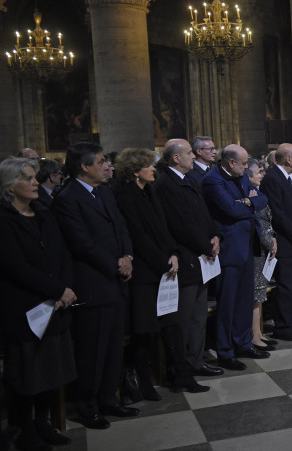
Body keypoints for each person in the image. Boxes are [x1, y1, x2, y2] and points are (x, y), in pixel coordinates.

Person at [53, 142, 137, 429]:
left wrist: (127, 256)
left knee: (114, 346)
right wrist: (116, 264)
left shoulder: (104, 192)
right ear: (84, 166)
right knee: (93, 350)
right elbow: (82, 243)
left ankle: (109, 398)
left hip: (116, 281)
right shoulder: (67, 198)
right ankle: (87, 406)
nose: (107, 166)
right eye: (101, 162)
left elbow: (121, 227)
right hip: (93, 283)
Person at [114, 148, 209, 397]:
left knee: (173, 325)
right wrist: (163, 261)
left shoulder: (150, 192)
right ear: (136, 171)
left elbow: (164, 228)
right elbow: (139, 236)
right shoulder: (126, 196)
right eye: (148, 166)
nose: (153, 169)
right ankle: (144, 383)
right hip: (146, 273)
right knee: (144, 330)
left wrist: (174, 253)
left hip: (166, 267)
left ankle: (181, 375)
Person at [0, 157, 77, 449]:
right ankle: (25, 429)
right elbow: (14, 266)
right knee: (27, 374)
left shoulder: (44, 213)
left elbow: (63, 253)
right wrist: (58, 290)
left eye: (35, 178)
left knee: (51, 371)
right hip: (25, 307)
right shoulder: (4, 220)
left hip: (54, 306)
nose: (36, 183)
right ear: (10, 185)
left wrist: (66, 288)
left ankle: (43, 423)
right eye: (29, 179)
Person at [153, 139, 224, 378]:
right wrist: (206, 245)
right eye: (189, 153)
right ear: (175, 158)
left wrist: (214, 235)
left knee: (198, 315)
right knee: (184, 318)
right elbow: (181, 224)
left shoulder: (189, 179)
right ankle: (182, 367)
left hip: (202, 256)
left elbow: (203, 214)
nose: (194, 157)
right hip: (186, 258)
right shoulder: (166, 185)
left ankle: (196, 359)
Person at [202, 145, 270, 369]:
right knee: (228, 302)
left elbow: (262, 199)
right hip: (230, 248)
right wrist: (247, 203)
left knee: (243, 299)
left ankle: (243, 343)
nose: (246, 167)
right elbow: (230, 210)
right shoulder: (214, 180)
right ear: (231, 163)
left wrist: (247, 202)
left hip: (247, 246)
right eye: (243, 164)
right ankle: (225, 350)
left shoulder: (240, 176)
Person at [259, 143, 292, 341]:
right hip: (285, 241)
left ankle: (290, 323)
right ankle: (283, 327)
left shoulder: (284, 177)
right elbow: (278, 214)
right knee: (286, 286)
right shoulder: (273, 178)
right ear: (288, 159)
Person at [245, 158, 279, 350]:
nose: (263, 174)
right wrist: (270, 242)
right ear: (248, 175)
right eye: (259, 172)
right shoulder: (248, 195)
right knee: (256, 293)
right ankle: (253, 336)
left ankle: (258, 333)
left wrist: (272, 239)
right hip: (257, 249)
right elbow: (258, 222)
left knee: (259, 294)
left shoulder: (257, 193)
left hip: (265, 246)